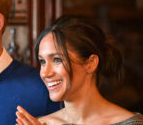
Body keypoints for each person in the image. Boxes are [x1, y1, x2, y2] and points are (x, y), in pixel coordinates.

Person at [15, 17, 143, 125]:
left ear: (90, 63)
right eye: (42, 61)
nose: (45, 73)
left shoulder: (131, 123)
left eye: (57, 59)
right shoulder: (41, 123)